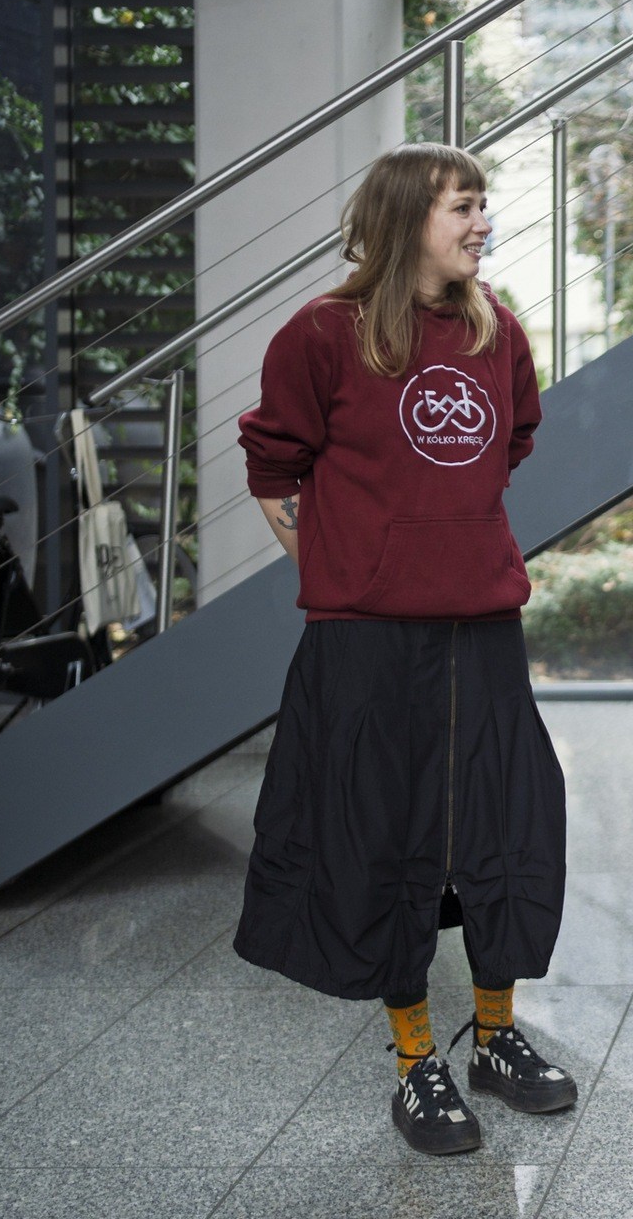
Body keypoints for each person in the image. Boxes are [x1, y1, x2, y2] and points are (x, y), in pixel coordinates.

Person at [234, 144, 576, 1154]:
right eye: (461, 207)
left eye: (483, 205)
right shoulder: (320, 335)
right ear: (403, 218)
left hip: (483, 626)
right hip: (368, 639)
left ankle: (496, 1039)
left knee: (506, 827)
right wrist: (346, 566)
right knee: (386, 839)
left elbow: (512, 441)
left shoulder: (495, 328)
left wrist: (445, 540)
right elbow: (273, 466)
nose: (481, 223)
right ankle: (416, 1060)